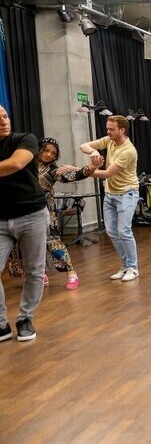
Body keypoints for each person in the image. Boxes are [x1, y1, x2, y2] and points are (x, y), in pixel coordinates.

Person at [14, 138, 98, 290]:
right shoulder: (26, 163)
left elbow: (70, 176)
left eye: (53, 153)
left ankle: (71, 273)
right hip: (24, 209)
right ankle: (40, 274)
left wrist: (90, 168)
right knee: (29, 244)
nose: (49, 155)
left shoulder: (53, 170)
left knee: (52, 242)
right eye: (46, 151)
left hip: (45, 210)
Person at [0, 105, 48, 342]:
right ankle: (1, 325)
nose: (4, 122)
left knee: (34, 271)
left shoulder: (24, 139)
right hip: (0, 219)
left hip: (32, 214)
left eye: (5, 116)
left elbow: (16, 164)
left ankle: (25, 318)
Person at [80, 115, 140, 282]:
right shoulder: (109, 141)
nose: (108, 132)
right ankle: (125, 266)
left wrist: (82, 172)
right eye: (107, 128)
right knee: (112, 232)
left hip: (127, 193)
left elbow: (107, 173)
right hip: (110, 193)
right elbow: (83, 145)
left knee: (124, 231)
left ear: (122, 130)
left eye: (111, 129)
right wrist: (93, 151)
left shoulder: (128, 151)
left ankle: (133, 268)